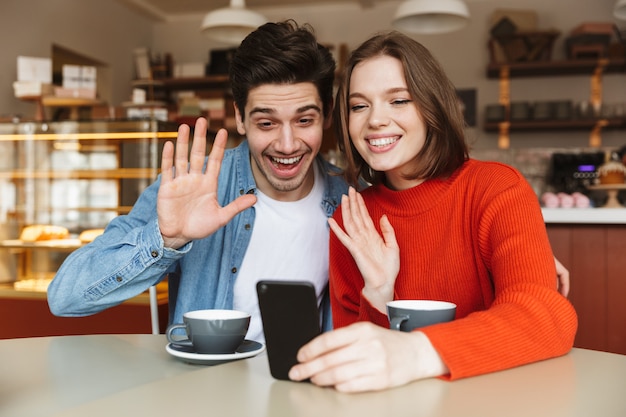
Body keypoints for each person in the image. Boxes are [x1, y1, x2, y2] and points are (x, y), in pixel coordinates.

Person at [288, 31, 578, 392]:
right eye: (359, 106)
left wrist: (413, 352)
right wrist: (380, 295)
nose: (375, 120)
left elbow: (545, 317)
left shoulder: (496, 189)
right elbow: (357, 364)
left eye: (398, 100)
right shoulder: (353, 219)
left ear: (432, 106)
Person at [47, 20, 346, 343]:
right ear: (240, 118)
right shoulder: (192, 185)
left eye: (304, 120)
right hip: (205, 389)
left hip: (300, 388)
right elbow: (64, 297)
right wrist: (164, 239)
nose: (287, 144)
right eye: (266, 122)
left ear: (327, 114)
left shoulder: (349, 198)